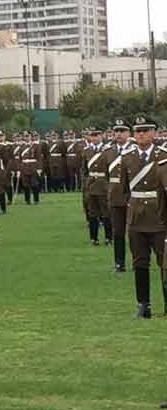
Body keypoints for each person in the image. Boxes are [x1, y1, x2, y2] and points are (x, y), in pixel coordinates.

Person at [121, 115, 167, 319]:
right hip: (136, 219)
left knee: (165, 263)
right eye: (138, 131)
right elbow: (124, 191)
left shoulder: (164, 157)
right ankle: (143, 305)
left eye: (145, 130)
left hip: (160, 218)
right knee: (139, 262)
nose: (141, 134)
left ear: (154, 133)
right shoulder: (127, 158)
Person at [105, 120, 134, 272]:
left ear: (129, 134)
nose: (119, 134)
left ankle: (139, 261)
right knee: (118, 232)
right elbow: (105, 175)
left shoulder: (135, 150)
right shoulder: (109, 151)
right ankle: (119, 262)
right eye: (116, 131)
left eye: (122, 131)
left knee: (136, 233)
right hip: (115, 196)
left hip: (132, 196)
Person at [82, 128, 112, 246]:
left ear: (102, 136)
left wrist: (109, 185)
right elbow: (84, 169)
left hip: (103, 184)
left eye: (97, 135)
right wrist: (85, 184)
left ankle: (108, 238)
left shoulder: (108, 150)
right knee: (92, 213)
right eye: (92, 136)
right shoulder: (87, 150)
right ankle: (93, 238)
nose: (94, 138)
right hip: (91, 185)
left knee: (106, 213)